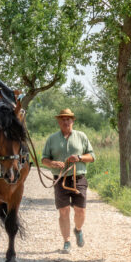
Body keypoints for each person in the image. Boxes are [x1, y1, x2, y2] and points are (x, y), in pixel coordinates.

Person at [40, 108, 95, 254]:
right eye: (63, 119)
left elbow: (92, 156)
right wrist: (52, 163)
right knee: (63, 211)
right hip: (60, 179)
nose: (66, 122)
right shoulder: (52, 139)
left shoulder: (81, 136)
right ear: (59, 122)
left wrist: (79, 158)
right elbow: (44, 159)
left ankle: (78, 229)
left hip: (79, 177)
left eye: (68, 119)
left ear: (73, 121)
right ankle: (67, 241)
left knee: (80, 211)